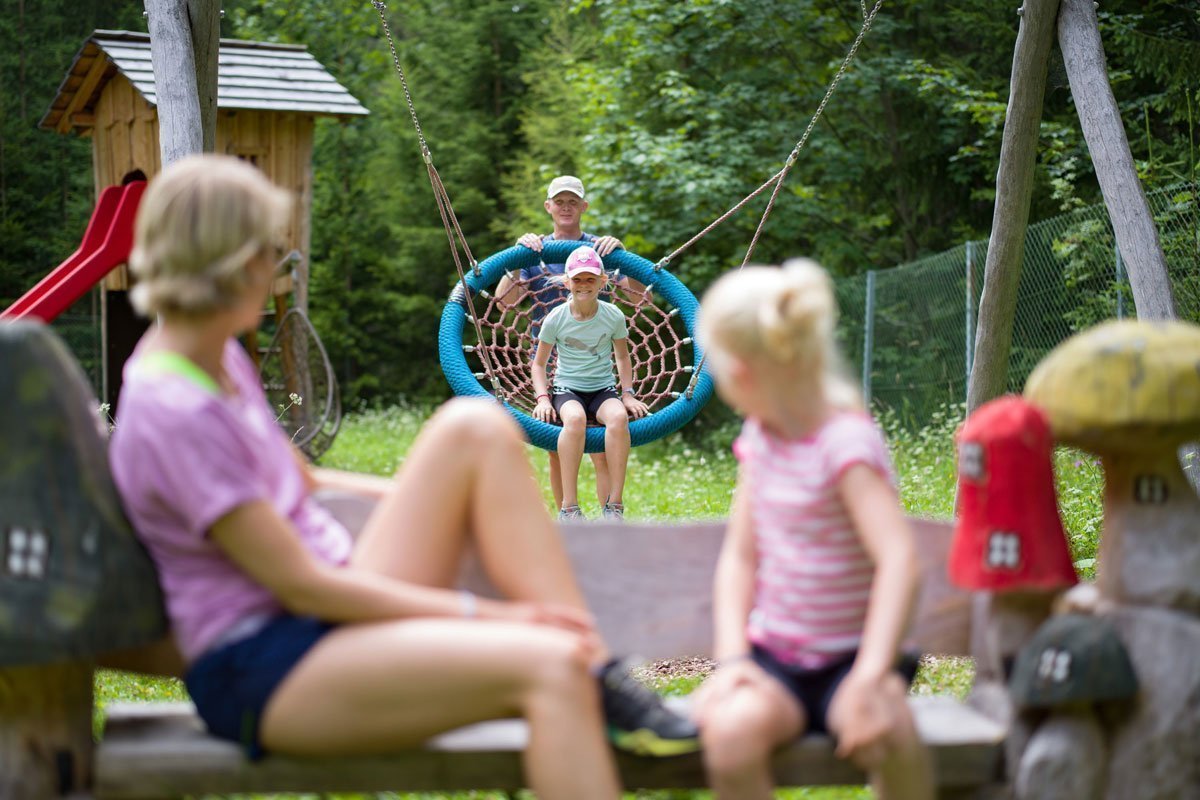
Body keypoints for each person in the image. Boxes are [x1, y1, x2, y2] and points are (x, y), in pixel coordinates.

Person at [106, 155, 699, 799]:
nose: (275, 271)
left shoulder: (214, 355)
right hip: (268, 662)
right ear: (229, 262)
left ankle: (597, 662)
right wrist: (487, 616)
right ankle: (585, 662)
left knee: (471, 427)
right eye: (268, 252)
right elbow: (303, 589)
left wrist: (456, 510)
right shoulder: (175, 409)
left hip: (324, 611)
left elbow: (298, 484)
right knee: (551, 667)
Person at [691, 260, 933, 800]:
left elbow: (900, 560)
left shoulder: (844, 443)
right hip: (776, 661)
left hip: (855, 662)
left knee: (892, 733)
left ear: (742, 373)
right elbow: (740, 558)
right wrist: (732, 661)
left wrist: (871, 678)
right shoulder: (761, 439)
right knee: (729, 738)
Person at [495, 175, 641, 512]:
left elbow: (637, 300)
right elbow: (505, 303)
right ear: (548, 207)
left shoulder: (599, 251)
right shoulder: (534, 251)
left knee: (602, 449)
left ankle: (610, 515)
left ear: (583, 207)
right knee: (558, 445)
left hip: (596, 368)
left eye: (572, 201)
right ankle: (568, 518)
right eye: (559, 201)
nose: (565, 207)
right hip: (550, 366)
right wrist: (516, 260)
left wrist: (622, 256)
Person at [531, 245, 648, 521]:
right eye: (578, 279)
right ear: (567, 282)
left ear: (602, 282)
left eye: (590, 279)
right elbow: (538, 364)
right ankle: (569, 507)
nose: (584, 285)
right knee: (574, 420)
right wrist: (543, 398)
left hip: (602, 389)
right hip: (567, 390)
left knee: (618, 418)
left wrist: (628, 394)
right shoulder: (556, 318)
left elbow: (622, 356)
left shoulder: (613, 315)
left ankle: (614, 505)